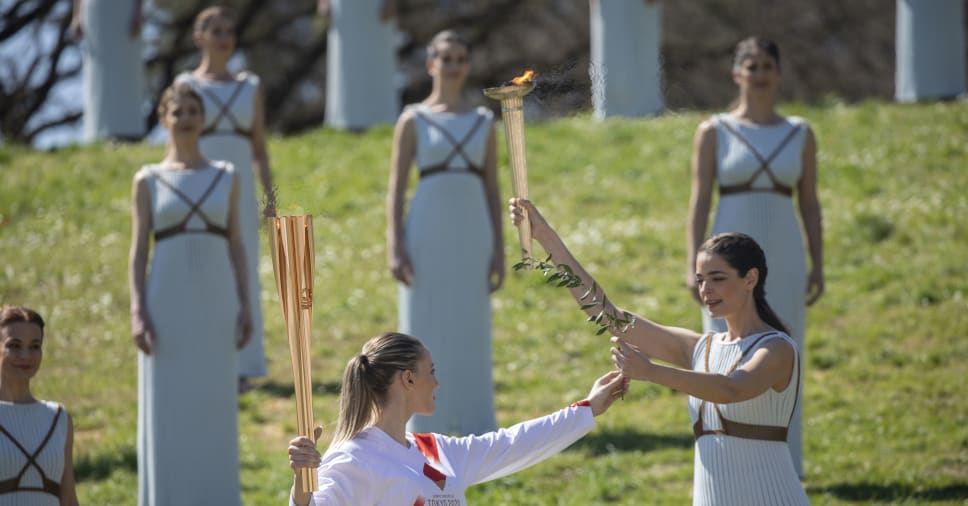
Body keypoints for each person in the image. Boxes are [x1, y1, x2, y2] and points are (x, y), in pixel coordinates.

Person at [510, 199, 810, 505]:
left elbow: (732, 388)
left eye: (718, 279)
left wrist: (651, 371)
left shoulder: (776, 348)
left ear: (751, 278)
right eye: (700, 280)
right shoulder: (700, 349)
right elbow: (608, 315)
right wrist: (544, 235)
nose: (706, 290)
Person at [685, 36, 823, 476]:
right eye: (751, 65)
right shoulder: (715, 131)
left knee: (781, 348)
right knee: (725, 348)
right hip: (727, 255)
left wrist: (819, 261)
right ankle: (722, 454)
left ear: (778, 73)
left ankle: (786, 462)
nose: (759, 73)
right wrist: (695, 266)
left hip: (783, 249)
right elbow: (699, 201)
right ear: (736, 73)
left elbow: (810, 203)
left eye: (767, 65)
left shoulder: (799, 132)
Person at [286, 332, 627, 505]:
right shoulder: (353, 458)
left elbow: (512, 444)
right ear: (407, 379)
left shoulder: (435, 451)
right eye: (430, 372)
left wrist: (588, 410)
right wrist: (303, 483)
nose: (437, 382)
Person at [128, 82, 251, 505]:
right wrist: (138, 311)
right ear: (164, 119)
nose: (185, 119)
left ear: (204, 118)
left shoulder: (226, 176)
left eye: (193, 111)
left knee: (214, 402)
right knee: (169, 405)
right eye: (177, 112)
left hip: (217, 301)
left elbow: (237, 243)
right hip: (166, 303)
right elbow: (139, 249)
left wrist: (246, 304)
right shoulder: (147, 179)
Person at [386, 30, 504, 435]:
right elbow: (397, 189)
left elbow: (493, 189)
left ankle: (471, 421)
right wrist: (395, 246)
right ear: (431, 64)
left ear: (467, 65)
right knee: (425, 325)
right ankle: (418, 422)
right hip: (427, 230)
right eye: (446, 58)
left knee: (470, 325)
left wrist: (500, 250)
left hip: (472, 232)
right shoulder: (413, 119)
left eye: (460, 58)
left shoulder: (483, 121)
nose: (453, 65)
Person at [176, 6, 276, 393]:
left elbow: (260, 149)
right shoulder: (186, 84)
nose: (224, 38)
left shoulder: (249, 85)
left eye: (229, 31)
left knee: (242, 269)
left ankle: (244, 364)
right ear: (199, 37)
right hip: (196, 186)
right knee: (202, 266)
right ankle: (200, 353)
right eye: (215, 31)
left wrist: (270, 199)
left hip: (239, 188)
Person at [0, 306, 79, 506]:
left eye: (35, 346)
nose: (26, 355)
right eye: (14, 345)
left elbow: (68, 499)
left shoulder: (58, 418)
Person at [70, 0, 146, 142]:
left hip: (124, 10)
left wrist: (138, 11)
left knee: (126, 73)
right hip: (96, 11)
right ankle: (97, 130)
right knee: (98, 75)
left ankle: (129, 129)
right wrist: (77, 15)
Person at [318, 0, 400, 130]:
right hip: (344, 8)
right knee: (344, 62)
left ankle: (383, 119)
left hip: (376, 7)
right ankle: (341, 120)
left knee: (378, 59)